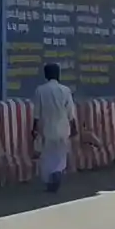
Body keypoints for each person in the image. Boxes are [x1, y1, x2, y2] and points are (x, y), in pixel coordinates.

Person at [32, 63, 81, 193]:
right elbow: (71, 112)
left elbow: (36, 113)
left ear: (46, 75)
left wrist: (34, 129)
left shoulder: (40, 90)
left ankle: (50, 180)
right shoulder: (65, 90)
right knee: (60, 155)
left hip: (47, 129)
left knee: (47, 156)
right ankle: (58, 172)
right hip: (63, 128)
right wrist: (74, 128)